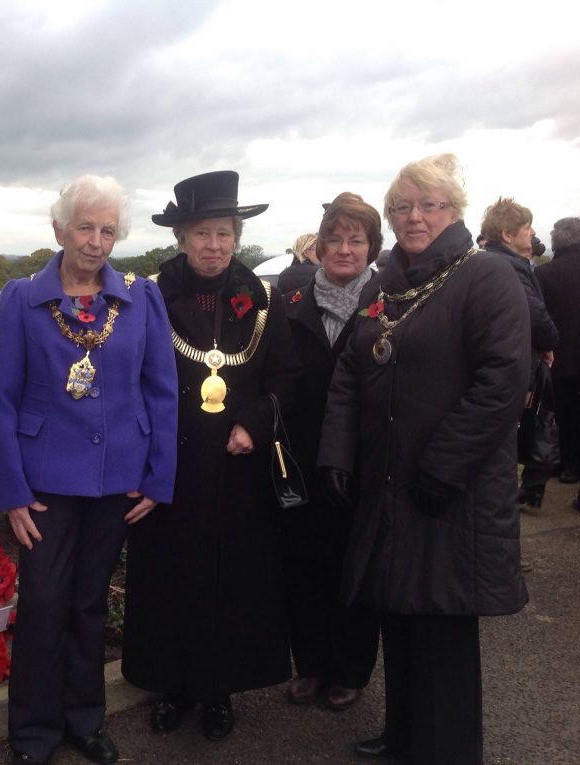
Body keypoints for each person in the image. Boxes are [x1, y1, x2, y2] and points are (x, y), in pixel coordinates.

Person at [318, 154, 530, 763]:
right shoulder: (386, 283)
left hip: (448, 490)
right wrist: (338, 452)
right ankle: (406, 736)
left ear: (454, 210)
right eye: (402, 207)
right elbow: (352, 373)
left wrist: (442, 465)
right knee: (400, 617)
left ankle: (445, 748)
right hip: (388, 485)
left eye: (428, 205)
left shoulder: (485, 276)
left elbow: (503, 381)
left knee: (440, 627)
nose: (413, 217)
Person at [0, 174, 178, 765]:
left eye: (108, 230)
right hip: (45, 484)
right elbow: (5, 401)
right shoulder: (22, 298)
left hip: (117, 479)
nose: (97, 241)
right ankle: (34, 733)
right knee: (44, 603)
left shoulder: (141, 299)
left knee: (90, 603)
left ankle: (84, 719)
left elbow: (161, 390)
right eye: (85, 227)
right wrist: (12, 493)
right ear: (59, 229)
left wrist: (158, 475)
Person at [122, 170, 298, 742]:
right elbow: (128, 378)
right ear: (181, 238)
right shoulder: (148, 293)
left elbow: (286, 377)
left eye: (223, 233)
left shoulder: (262, 296)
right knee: (172, 579)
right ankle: (172, 684)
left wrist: (253, 421)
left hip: (236, 470)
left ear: (236, 234)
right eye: (202, 234)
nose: (214, 246)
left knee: (232, 582)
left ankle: (220, 690)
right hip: (170, 467)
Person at [281, 192, 381, 712]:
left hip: (362, 461)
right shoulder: (292, 299)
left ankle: (350, 669)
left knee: (354, 567)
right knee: (304, 566)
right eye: (335, 240)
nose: (344, 249)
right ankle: (310, 665)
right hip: (300, 456)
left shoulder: (389, 303)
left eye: (356, 240)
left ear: (372, 247)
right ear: (319, 247)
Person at [479, 198, 558, 515]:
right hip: (512, 370)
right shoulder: (508, 268)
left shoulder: (494, 263)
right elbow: (535, 318)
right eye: (526, 227)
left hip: (509, 367)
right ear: (507, 234)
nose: (533, 232)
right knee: (504, 457)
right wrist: (548, 341)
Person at [536, 217, 580, 499]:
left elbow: (540, 319)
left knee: (563, 414)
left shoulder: (544, 275)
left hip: (559, 357)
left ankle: (568, 465)